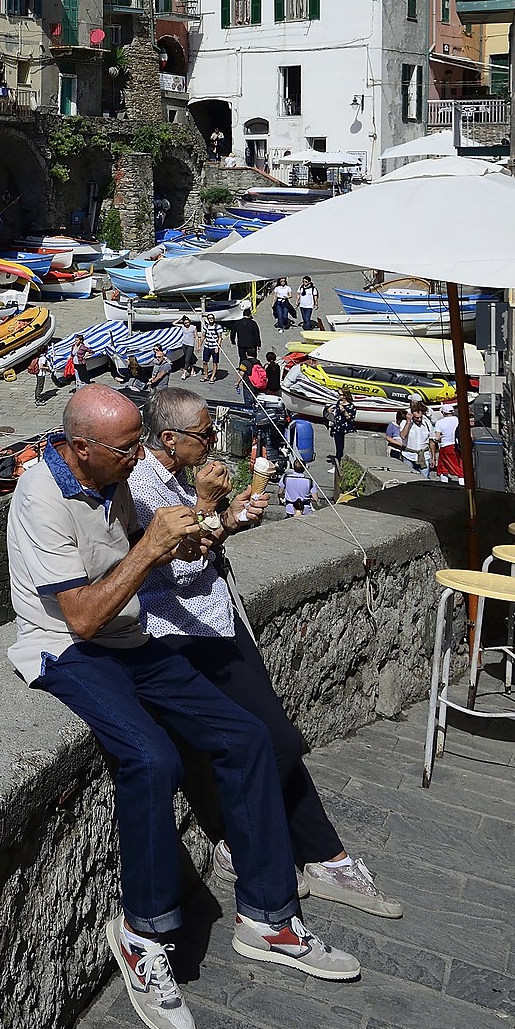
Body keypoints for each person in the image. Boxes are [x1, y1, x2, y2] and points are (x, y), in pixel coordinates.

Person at [9, 386, 360, 1029]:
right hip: (67, 650)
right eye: (126, 447)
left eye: (142, 441)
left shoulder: (109, 476)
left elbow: (173, 551)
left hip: (131, 639)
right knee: (152, 757)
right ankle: (144, 937)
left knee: (249, 736)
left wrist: (201, 514)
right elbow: (81, 619)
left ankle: (268, 917)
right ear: (81, 447)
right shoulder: (41, 498)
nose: (138, 456)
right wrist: (148, 550)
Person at [127, 386, 402, 923]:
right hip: (185, 633)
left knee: (275, 741)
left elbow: (201, 546)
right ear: (169, 438)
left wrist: (227, 519)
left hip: (214, 620)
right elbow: (172, 568)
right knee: (274, 741)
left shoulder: (170, 479)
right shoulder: (142, 489)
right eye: (204, 435)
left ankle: (326, 855)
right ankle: (260, 846)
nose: (211, 443)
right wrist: (209, 508)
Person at [325, 390, 357, 469]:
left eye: (340, 394)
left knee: (340, 447)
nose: (338, 396)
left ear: (345, 396)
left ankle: (338, 465)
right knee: (337, 446)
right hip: (336, 427)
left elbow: (351, 419)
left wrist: (344, 411)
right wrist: (329, 411)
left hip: (343, 429)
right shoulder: (338, 403)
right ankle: (337, 463)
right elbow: (334, 412)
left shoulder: (351, 406)